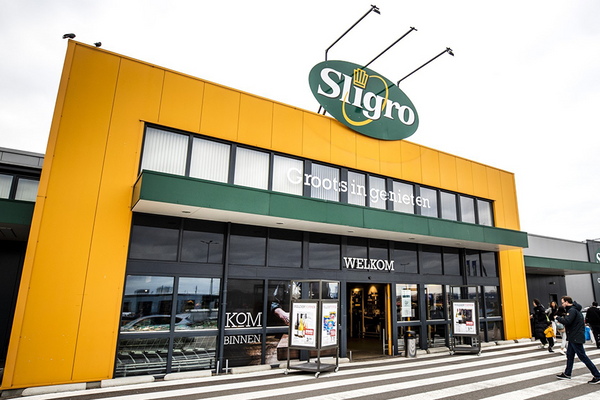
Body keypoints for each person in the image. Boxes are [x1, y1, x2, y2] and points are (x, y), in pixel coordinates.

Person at [554, 296, 600, 384]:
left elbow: (567, 321)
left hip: (575, 337)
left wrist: (558, 318)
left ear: (567, 302)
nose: (562, 304)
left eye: (563, 302)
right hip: (573, 336)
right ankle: (567, 373)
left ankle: (597, 375)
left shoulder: (572, 311)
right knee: (570, 355)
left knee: (582, 356)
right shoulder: (575, 309)